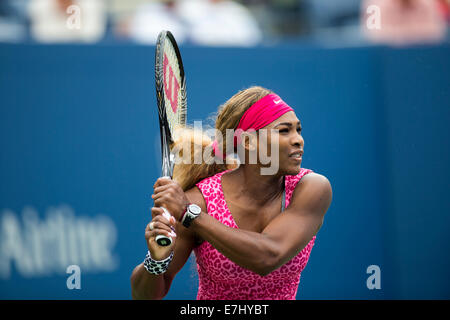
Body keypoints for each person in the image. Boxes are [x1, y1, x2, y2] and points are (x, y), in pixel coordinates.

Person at [130, 86, 332, 300]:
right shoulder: (200, 200)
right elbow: (144, 296)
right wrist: (156, 261)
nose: (298, 139)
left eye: (298, 130)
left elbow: (268, 257)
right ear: (247, 142)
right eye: (284, 130)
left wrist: (190, 214)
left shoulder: (311, 188)